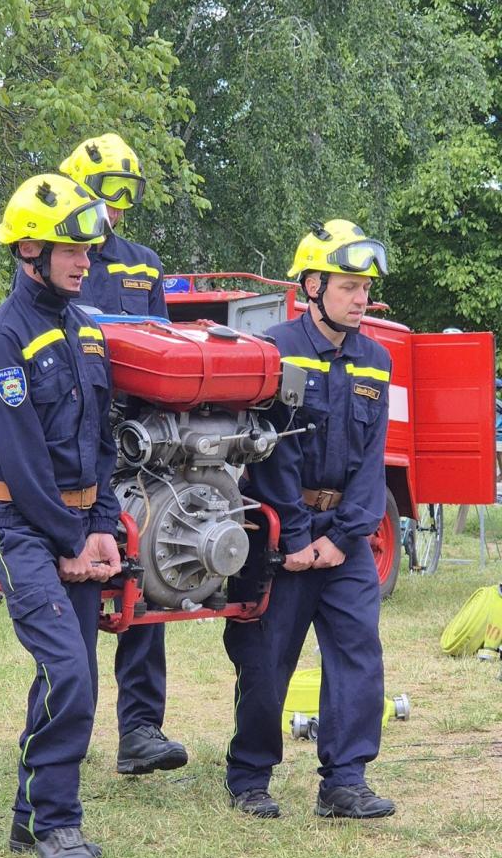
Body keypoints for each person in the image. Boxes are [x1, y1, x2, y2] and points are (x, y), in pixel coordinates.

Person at [0, 174, 122, 858]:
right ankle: (57, 824)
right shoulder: (4, 337)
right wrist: (71, 540)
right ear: (29, 250)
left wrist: (102, 525)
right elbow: (20, 463)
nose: (86, 261)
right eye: (70, 249)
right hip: (20, 524)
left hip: (78, 521)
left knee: (72, 672)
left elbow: (106, 441)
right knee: (68, 669)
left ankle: (29, 816)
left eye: (88, 249)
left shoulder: (87, 331)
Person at [223, 219, 396, 820]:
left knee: (358, 653)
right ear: (314, 286)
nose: (361, 298)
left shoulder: (376, 360)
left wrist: (347, 536)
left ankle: (344, 781)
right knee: (266, 659)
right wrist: (296, 536)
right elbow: (272, 453)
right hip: (280, 531)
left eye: (365, 288)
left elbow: (372, 460)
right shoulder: (276, 350)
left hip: (344, 535)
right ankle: (250, 777)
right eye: (349, 287)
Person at [59, 132, 188, 776]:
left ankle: (140, 730)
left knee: (149, 574)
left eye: (125, 195)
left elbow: (163, 346)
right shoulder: (57, 256)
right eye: (106, 192)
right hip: (78, 440)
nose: (115, 208)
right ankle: (68, 729)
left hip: (140, 443)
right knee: (80, 582)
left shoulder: (144, 263)